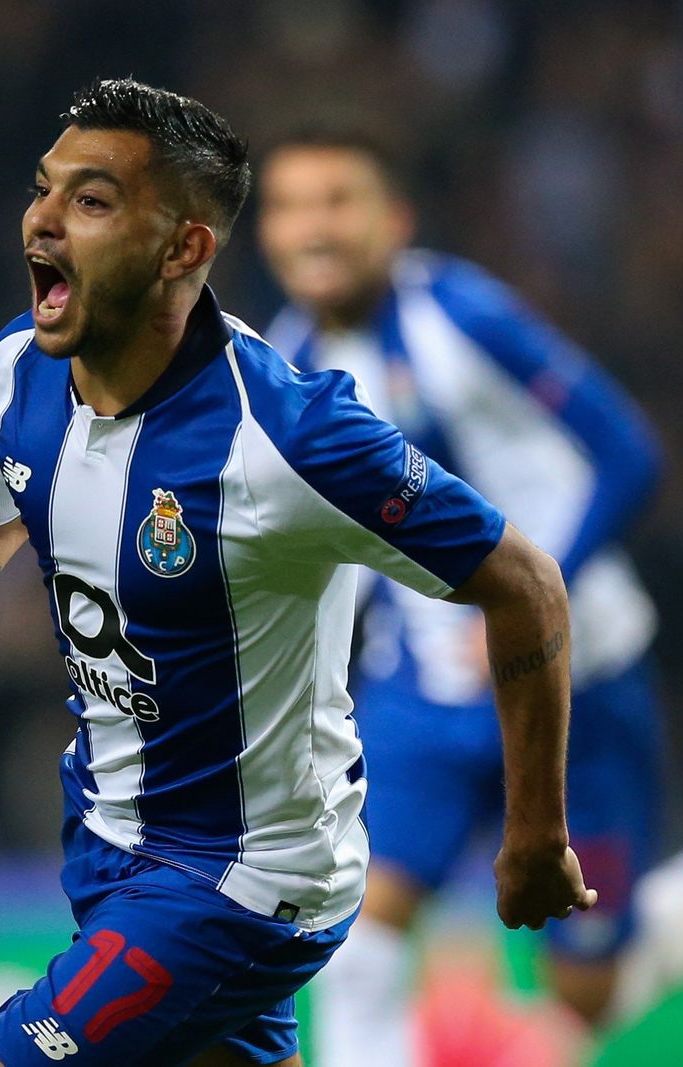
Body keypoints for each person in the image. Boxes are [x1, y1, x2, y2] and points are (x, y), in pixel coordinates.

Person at [0, 78, 596, 1067]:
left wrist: (534, 831)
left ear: (182, 249)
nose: (42, 220)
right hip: (108, 841)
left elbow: (524, 582)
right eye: (42, 189)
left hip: (241, 881)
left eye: (90, 200)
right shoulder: (19, 370)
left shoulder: (289, 435)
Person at [254, 125, 663, 1062]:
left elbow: (629, 452)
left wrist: (535, 602)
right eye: (288, 206)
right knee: (357, 940)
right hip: (423, 690)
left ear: (394, 220)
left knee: (587, 990)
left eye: (338, 201)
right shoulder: (282, 362)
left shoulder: (464, 317)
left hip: (577, 687)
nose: (313, 227)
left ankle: (660, 922)